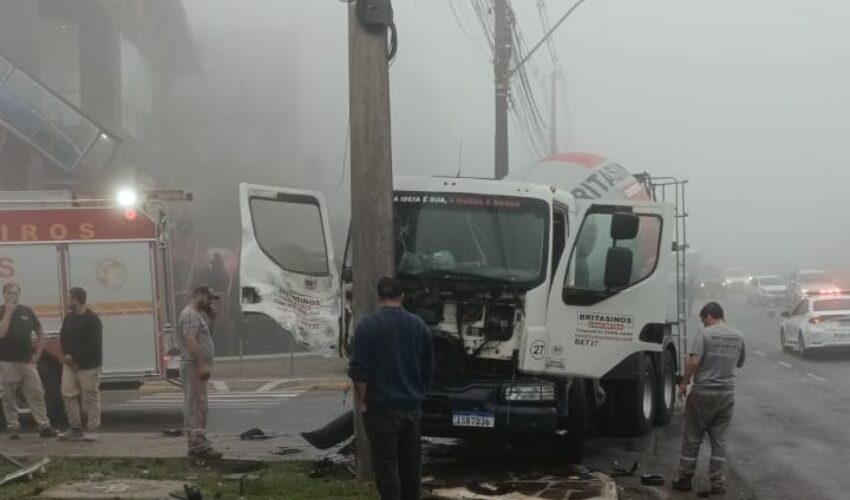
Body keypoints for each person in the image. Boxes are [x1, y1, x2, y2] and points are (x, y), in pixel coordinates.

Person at [348, 277, 434, 500]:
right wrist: (418, 394)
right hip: (411, 408)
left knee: (386, 467)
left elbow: (359, 374)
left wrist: (364, 403)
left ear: (379, 297)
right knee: (410, 466)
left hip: (381, 409)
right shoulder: (419, 326)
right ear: (402, 296)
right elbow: (428, 367)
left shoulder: (367, 327)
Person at [673, 302, 746, 494]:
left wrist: (684, 382)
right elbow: (739, 363)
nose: (703, 324)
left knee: (693, 437)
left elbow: (694, 361)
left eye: (703, 320)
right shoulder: (738, 336)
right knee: (719, 441)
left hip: (703, 393)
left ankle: (685, 479)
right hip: (727, 395)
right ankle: (718, 483)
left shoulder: (704, 334)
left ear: (708, 317)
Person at [0, 282, 57, 439]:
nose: (13, 295)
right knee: (9, 396)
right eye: (9, 293)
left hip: (26, 361)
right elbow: (2, 333)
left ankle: (44, 426)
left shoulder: (27, 311)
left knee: (36, 392)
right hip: (7, 362)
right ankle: (13, 428)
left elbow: (40, 333)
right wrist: (9, 313)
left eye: (15, 292)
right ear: (4, 294)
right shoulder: (1, 311)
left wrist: (37, 354)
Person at [177, 285, 222, 459]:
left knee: (198, 403)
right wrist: (202, 364)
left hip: (194, 365)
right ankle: (199, 444)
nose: (210, 302)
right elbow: (191, 340)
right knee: (197, 405)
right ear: (199, 295)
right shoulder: (190, 315)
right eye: (208, 298)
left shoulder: (197, 316)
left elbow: (205, 337)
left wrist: (211, 320)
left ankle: (196, 441)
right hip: (193, 365)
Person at [57, 287, 103, 441]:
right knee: (68, 393)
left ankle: (92, 428)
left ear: (77, 300)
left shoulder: (92, 320)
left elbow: (92, 345)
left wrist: (75, 358)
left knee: (90, 395)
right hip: (70, 364)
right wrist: (66, 355)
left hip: (89, 364)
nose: (68, 301)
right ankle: (75, 427)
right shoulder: (69, 318)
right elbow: (63, 336)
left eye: (70, 298)